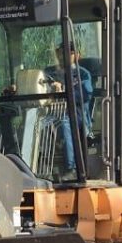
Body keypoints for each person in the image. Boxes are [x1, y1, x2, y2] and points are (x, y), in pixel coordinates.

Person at [45, 42, 93, 175]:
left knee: (64, 123)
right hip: (48, 114)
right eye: (61, 51)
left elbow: (86, 94)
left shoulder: (82, 74)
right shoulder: (48, 72)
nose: (64, 55)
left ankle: (70, 168)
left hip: (76, 117)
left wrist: (64, 90)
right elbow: (39, 84)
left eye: (70, 52)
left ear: (77, 55)